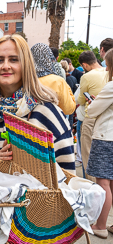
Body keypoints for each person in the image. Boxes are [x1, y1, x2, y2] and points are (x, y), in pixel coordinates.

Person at [0, 35, 75, 174]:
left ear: (27, 64)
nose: (5, 66)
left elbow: (67, 176)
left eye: (14, 59)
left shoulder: (48, 113)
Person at [85, 49, 113, 239]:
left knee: (103, 183)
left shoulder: (111, 86)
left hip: (106, 137)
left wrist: (92, 103)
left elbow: (92, 110)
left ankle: (100, 225)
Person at [77, 51, 108, 181]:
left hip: (90, 118)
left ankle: (91, 187)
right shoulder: (108, 71)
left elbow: (81, 100)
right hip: (107, 119)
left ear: (85, 65)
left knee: (87, 155)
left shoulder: (87, 76)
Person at [31, 43, 76, 116]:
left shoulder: (25, 79)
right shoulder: (58, 81)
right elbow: (68, 109)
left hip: (28, 125)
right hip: (52, 124)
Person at [61, 60, 77, 131]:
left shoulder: (61, 80)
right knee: (70, 121)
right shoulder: (73, 78)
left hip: (63, 103)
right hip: (71, 102)